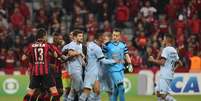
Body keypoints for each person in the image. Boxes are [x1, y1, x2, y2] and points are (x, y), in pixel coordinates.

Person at [79, 31, 120, 101]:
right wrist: (115, 61)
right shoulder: (96, 48)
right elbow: (103, 60)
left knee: (97, 91)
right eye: (103, 37)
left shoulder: (90, 44)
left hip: (92, 71)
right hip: (91, 72)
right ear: (99, 38)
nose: (104, 39)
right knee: (86, 92)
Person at [22, 28, 60, 101]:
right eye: (46, 35)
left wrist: (33, 59)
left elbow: (23, 58)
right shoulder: (47, 45)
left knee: (30, 92)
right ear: (44, 36)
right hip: (46, 71)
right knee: (54, 91)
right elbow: (55, 55)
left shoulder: (31, 45)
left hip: (35, 71)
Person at [148, 34, 182, 101]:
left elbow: (162, 63)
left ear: (167, 40)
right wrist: (173, 69)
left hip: (165, 75)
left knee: (163, 95)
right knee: (157, 92)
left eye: (164, 39)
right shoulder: (174, 50)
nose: (163, 40)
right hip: (168, 74)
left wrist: (153, 60)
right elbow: (180, 63)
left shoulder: (166, 50)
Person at [103, 28, 133, 101]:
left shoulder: (123, 44)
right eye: (113, 35)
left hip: (121, 69)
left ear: (119, 36)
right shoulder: (107, 45)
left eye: (116, 35)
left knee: (116, 90)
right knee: (121, 88)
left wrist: (130, 64)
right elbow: (102, 57)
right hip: (112, 69)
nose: (114, 37)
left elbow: (126, 54)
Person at [62, 30, 85, 101]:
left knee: (73, 90)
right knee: (80, 89)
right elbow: (70, 53)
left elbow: (80, 59)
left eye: (82, 36)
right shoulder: (72, 44)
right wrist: (79, 53)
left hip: (78, 70)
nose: (82, 37)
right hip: (74, 70)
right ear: (75, 37)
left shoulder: (80, 45)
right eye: (80, 36)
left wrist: (84, 64)